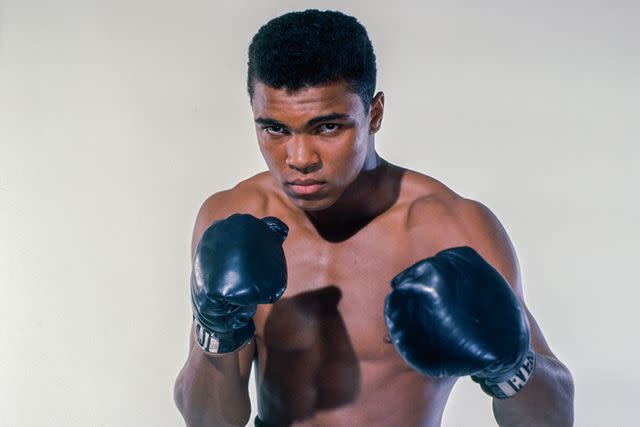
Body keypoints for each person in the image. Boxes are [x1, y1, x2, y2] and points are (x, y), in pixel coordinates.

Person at [173, 9, 574, 427]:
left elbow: (553, 418)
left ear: (374, 114)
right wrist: (213, 331)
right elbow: (209, 421)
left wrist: (511, 365)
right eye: (275, 129)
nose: (299, 159)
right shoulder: (235, 217)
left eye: (327, 127)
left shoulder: (452, 229)